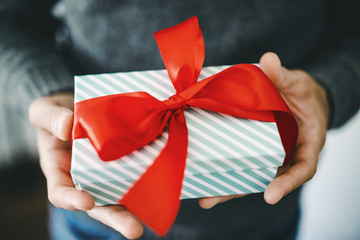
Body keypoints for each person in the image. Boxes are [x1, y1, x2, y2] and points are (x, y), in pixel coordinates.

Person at [1, 0, 360, 239]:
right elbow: (10, 21)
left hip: (264, 217)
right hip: (93, 220)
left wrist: (327, 89)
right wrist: (47, 91)